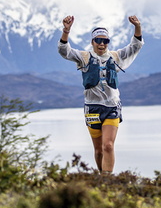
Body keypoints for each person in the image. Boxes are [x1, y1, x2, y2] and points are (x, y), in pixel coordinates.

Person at [58, 15, 143, 173]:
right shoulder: (83, 58)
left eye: (105, 41)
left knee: (108, 146)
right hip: (92, 108)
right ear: (93, 42)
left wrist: (137, 27)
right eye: (98, 40)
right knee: (98, 151)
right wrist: (66, 31)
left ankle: (108, 180)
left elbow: (136, 46)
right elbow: (64, 51)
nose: (102, 44)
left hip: (111, 107)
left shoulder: (116, 56)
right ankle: (101, 178)